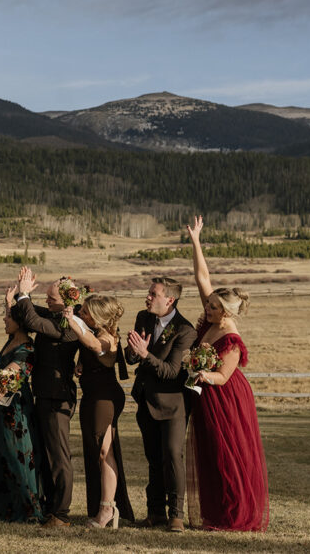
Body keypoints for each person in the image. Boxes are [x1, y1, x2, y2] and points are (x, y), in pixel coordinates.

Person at [183, 216, 269, 531]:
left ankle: (233, 515)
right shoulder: (210, 321)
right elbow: (202, 275)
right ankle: (214, 513)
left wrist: (200, 373)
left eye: (214, 307)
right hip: (207, 396)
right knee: (208, 454)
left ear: (227, 312)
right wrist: (196, 240)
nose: (208, 308)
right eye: (209, 304)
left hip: (226, 399)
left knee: (227, 454)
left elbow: (222, 377)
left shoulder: (231, 339)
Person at [124, 274, 195, 532]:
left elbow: (172, 372)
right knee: (153, 458)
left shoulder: (185, 330)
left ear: (170, 300)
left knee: (173, 457)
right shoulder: (144, 318)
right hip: (146, 399)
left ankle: (176, 515)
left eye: (154, 294)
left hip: (173, 404)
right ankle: (155, 513)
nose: (148, 297)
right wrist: (133, 353)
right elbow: (131, 356)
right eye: (149, 292)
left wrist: (145, 355)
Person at [10, 267, 81, 527]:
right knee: (46, 454)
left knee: (59, 456)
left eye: (51, 298)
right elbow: (26, 313)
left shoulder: (70, 326)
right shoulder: (55, 314)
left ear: (67, 301)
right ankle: (50, 506)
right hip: (45, 394)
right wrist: (19, 296)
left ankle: (61, 513)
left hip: (57, 397)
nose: (47, 302)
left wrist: (25, 294)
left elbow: (33, 321)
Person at [65, 295, 135, 529]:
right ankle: (104, 506)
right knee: (98, 451)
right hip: (93, 396)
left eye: (85, 312)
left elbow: (96, 347)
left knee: (105, 452)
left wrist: (71, 321)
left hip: (104, 399)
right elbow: (92, 354)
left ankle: (107, 509)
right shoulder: (96, 333)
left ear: (97, 317)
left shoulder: (106, 337)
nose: (81, 315)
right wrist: (83, 365)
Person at [0, 290, 45, 523]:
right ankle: (5, 506)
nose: (4, 319)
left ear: (19, 323)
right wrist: (9, 301)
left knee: (17, 454)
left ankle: (29, 508)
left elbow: (12, 374)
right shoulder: (12, 339)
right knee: (0, 452)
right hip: (1, 405)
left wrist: (0, 388)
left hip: (16, 409)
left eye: (8, 317)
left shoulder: (26, 348)